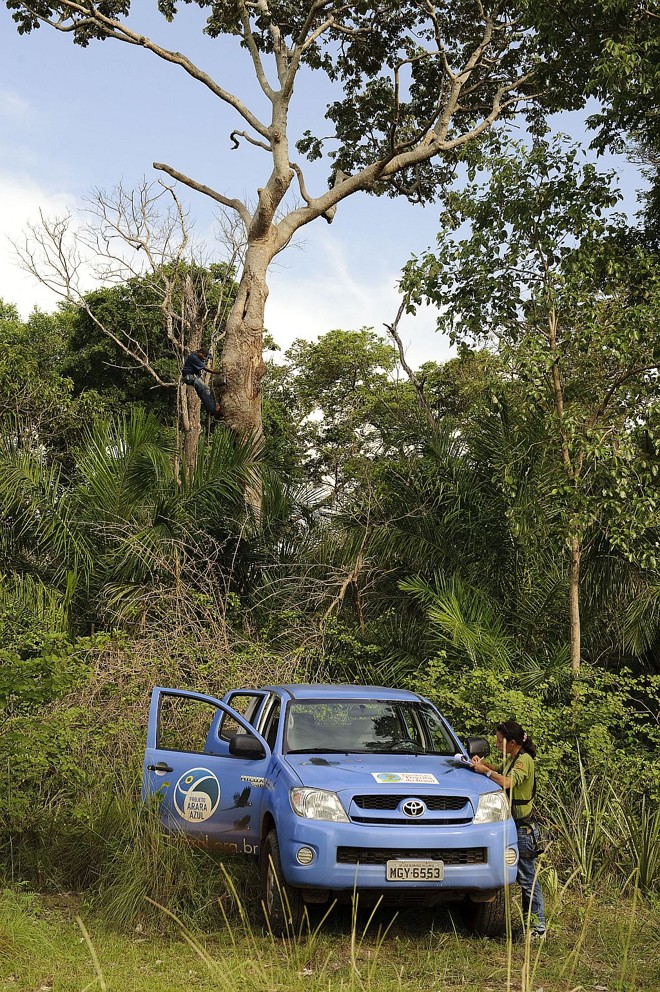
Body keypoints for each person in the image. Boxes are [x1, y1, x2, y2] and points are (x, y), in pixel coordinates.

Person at [471, 720, 547, 938]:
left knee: (527, 879)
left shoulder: (524, 761)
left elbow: (507, 782)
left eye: (499, 740)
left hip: (523, 830)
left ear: (512, 742)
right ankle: (530, 925)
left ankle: (537, 928)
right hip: (512, 826)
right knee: (521, 877)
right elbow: (498, 770)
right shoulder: (512, 758)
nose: (496, 744)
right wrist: (482, 765)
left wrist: (485, 772)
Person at [181, 346, 224, 416]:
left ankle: (212, 406)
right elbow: (205, 368)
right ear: (200, 353)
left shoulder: (197, 354)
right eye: (203, 356)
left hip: (192, 376)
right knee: (204, 388)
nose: (204, 358)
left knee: (206, 390)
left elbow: (208, 355)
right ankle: (212, 410)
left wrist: (211, 355)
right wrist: (217, 372)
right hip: (189, 377)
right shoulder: (194, 357)